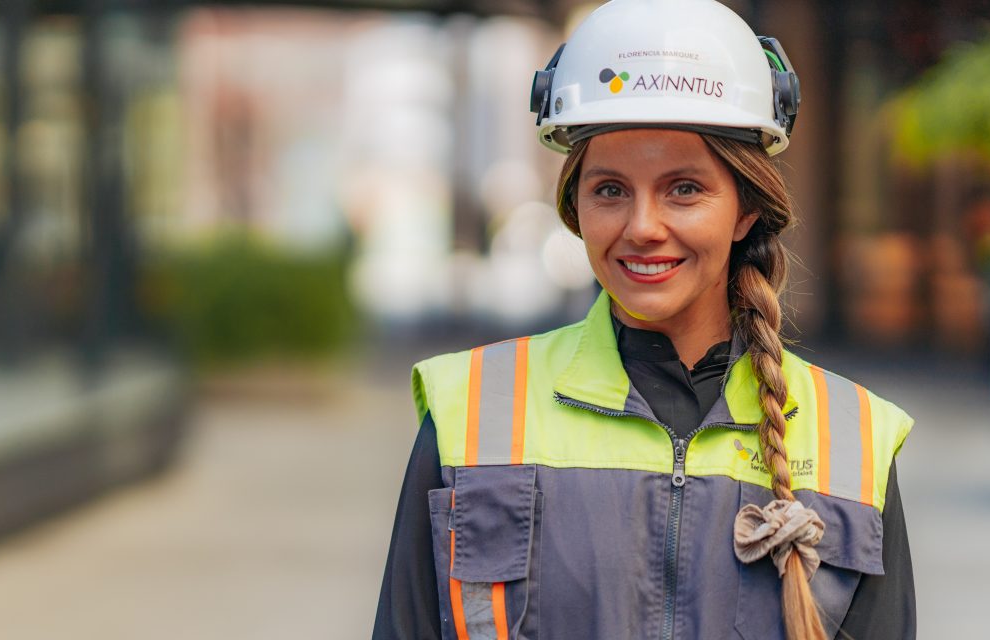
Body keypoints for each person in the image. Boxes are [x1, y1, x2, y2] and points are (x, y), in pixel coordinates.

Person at [371, 1, 915, 639]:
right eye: (609, 189)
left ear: (745, 209)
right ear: (575, 206)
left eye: (684, 188)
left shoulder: (852, 440)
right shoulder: (471, 413)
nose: (642, 228)